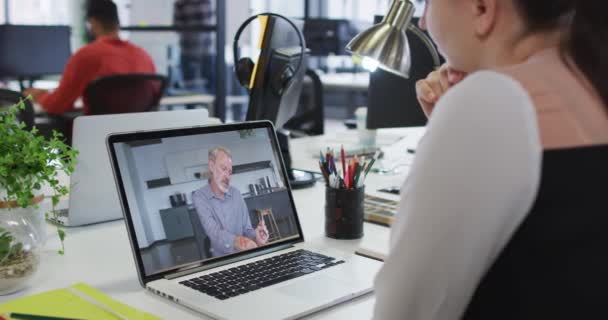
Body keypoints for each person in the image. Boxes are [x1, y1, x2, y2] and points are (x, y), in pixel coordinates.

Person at [373, 1, 608, 319]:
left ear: (483, 9)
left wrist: (459, 119)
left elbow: (404, 310)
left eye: (428, 3)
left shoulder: (494, 99)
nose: (425, 22)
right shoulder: (590, 82)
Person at [24, 0, 156, 115]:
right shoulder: (144, 56)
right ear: (118, 23)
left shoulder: (87, 55)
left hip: (93, 134)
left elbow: (58, 105)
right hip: (132, 137)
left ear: (92, 23)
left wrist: (39, 95)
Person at [192, 147, 269, 257]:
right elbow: (215, 234)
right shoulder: (200, 197)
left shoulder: (236, 194)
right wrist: (239, 242)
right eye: (223, 169)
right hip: (223, 259)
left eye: (230, 172)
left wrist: (256, 236)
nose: (227, 176)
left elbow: (247, 229)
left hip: (246, 255)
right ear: (211, 166)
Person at [173, 0, 216, 93]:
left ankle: (211, 107)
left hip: (205, 49)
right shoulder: (180, 4)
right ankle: (191, 106)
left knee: (211, 87)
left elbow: (208, 24)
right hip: (188, 49)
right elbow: (177, 27)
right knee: (189, 86)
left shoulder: (205, 2)